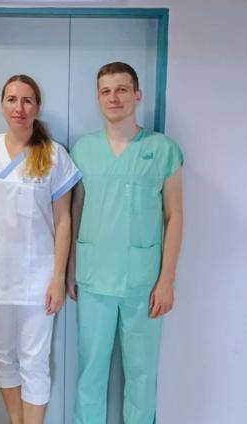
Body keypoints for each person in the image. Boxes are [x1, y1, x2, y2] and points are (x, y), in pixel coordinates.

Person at [0, 74, 81, 424]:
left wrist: (58, 277)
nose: (19, 107)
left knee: (34, 361)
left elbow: (63, 221)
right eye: (12, 99)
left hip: (37, 276)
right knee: (2, 356)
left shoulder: (54, 155)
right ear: (2, 105)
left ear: (37, 107)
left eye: (27, 100)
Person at [68, 62, 184, 424]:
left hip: (143, 282)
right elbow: (76, 210)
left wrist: (166, 280)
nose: (113, 98)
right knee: (90, 372)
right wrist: (70, 268)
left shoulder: (163, 150)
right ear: (98, 98)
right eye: (106, 91)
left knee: (142, 374)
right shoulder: (83, 150)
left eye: (121, 89)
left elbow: (175, 216)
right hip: (93, 279)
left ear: (137, 95)